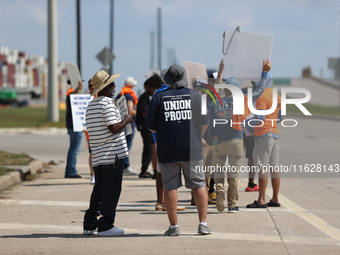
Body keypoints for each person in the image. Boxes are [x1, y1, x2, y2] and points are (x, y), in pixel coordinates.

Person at [146, 64, 212, 236]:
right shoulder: (196, 96)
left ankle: (174, 226)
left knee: (170, 187)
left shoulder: (158, 98)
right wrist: (199, 136)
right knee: (199, 185)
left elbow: (152, 128)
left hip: (168, 149)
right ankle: (203, 223)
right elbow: (205, 122)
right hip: (193, 148)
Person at [208, 59, 271, 213]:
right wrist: (265, 72)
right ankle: (232, 204)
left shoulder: (215, 102)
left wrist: (220, 72)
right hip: (235, 141)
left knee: (219, 172)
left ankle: (220, 187)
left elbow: (210, 125)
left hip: (218, 141)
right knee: (235, 174)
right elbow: (260, 90)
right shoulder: (243, 100)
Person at [83, 70, 133, 236]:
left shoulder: (91, 105)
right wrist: (127, 119)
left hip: (98, 156)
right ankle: (106, 225)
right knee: (112, 191)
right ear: (104, 87)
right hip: (112, 155)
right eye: (111, 84)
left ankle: (89, 224)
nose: (114, 86)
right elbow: (114, 128)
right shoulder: (107, 104)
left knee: (99, 191)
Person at [246, 74, 282, 209]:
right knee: (274, 167)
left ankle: (261, 199)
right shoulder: (277, 95)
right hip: (275, 133)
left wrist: (246, 123)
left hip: (263, 134)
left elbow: (260, 117)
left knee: (262, 167)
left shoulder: (261, 95)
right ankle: (275, 198)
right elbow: (280, 118)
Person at [136, 74, 160, 178]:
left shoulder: (151, 97)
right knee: (150, 151)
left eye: (154, 88)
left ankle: (151, 171)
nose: (152, 90)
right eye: (151, 88)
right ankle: (144, 171)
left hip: (150, 128)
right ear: (147, 86)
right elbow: (144, 114)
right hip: (146, 128)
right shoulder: (144, 98)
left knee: (152, 151)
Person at [116, 77, 138, 175]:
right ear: (132, 85)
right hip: (128, 124)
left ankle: (120, 166)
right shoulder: (129, 96)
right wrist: (139, 112)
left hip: (120, 123)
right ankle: (126, 166)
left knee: (121, 145)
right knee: (127, 146)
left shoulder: (119, 95)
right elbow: (130, 110)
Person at [65, 79, 84, 178]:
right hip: (75, 126)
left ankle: (70, 170)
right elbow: (73, 96)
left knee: (73, 148)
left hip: (75, 126)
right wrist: (78, 88)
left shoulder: (72, 93)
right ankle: (71, 171)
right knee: (74, 149)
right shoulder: (71, 94)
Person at [84, 79, 96, 184]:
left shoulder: (102, 97)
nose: (92, 87)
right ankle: (93, 175)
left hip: (101, 129)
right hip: (90, 130)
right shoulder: (85, 98)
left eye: (93, 85)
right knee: (92, 152)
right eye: (90, 85)